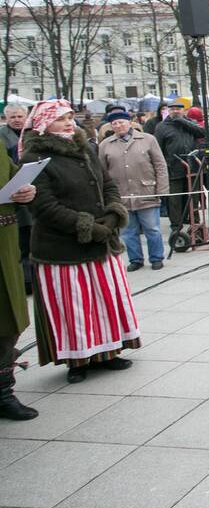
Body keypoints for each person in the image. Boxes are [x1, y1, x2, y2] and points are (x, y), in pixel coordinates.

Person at [19, 100, 140, 384]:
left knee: (104, 299)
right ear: (44, 124)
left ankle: (109, 352)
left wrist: (111, 216)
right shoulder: (34, 156)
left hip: (100, 242)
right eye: (61, 118)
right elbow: (44, 206)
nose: (69, 123)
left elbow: (106, 182)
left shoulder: (84, 147)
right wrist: (85, 226)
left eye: (71, 117)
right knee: (73, 306)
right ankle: (77, 359)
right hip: (62, 247)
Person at [98, 110, 169, 272]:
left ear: (129, 122)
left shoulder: (148, 139)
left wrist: (162, 189)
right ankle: (135, 259)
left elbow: (160, 165)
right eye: (114, 123)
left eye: (121, 122)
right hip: (121, 195)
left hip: (146, 191)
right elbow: (101, 171)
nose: (118, 126)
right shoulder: (105, 145)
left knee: (152, 229)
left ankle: (156, 257)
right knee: (128, 231)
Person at [0, 151, 38, 419]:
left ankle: (3, 392)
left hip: (4, 246)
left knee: (8, 320)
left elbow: (13, 176)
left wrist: (26, 190)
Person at [154, 99, 205, 233]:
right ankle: (176, 227)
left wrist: (183, 121)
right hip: (173, 168)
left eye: (178, 109)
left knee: (193, 198)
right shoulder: (162, 127)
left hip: (192, 167)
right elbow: (157, 149)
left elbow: (201, 133)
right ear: (168, 111)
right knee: (175, 200)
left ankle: (195, 225)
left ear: (184, 110)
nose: (175, 111)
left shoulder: (189, 123)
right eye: (172, 109)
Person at [0, 105, 32, 289]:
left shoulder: (32, 134)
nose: (17, 119)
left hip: (27, 193)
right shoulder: (3, 137)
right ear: (6, 118)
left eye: (20, 116)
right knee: (21, 246)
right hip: (11, 205)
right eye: (13, 117)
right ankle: (25, 281)